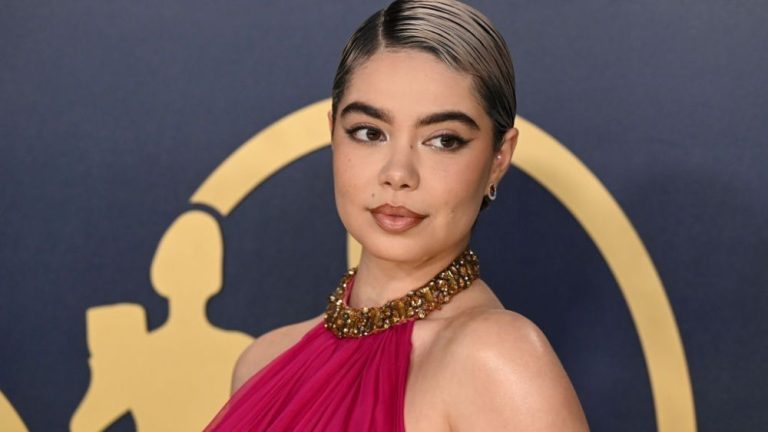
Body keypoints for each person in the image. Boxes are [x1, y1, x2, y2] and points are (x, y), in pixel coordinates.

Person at [205, 0, 589, 430]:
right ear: (333, 133)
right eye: (370, 133)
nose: (398, 174)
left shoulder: (496, 361)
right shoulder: (261, 363)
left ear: (499, 158)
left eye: (443, 140)